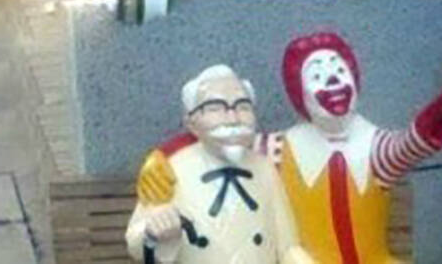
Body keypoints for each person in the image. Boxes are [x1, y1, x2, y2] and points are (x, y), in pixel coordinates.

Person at [136, 25, 442, 263]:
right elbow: (222, 134)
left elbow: (417, 142)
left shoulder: (375, 148)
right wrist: (161, 156)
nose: (332, 81)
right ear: (299, 93)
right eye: (317, 74)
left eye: (339, 70)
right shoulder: (275, 150)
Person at [126, 64, 312, 264]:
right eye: (215, 108)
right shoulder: (171, 171)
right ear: (191, 122)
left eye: (243, 106)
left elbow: (287, 246)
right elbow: (136, 244)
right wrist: (154, 230)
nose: (233, 118)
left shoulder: (264, 169)